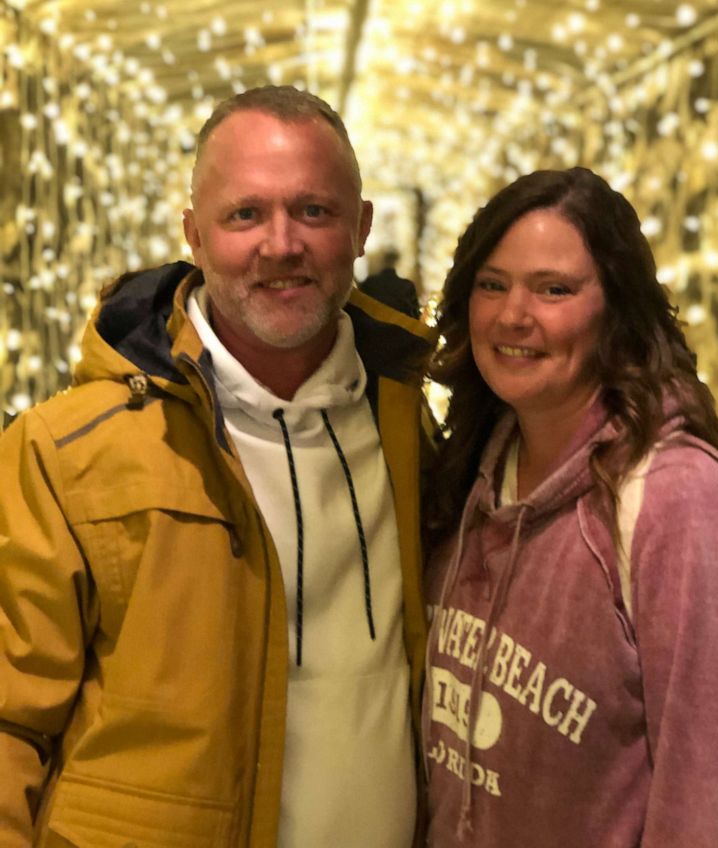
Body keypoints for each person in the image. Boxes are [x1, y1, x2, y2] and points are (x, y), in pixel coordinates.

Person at [0, 85, 435, 847]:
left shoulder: (408, 427)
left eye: (314, 211)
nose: (281, 244)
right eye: (245, 214)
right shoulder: (63, 453)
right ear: (194, 235)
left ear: (360, 229)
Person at [423, 167, 718, 847]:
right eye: (492, 284)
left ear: (615, 309)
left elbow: (708, 791)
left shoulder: (678, 501)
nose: (514, 314)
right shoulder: (472, 476)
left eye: (553, 289)